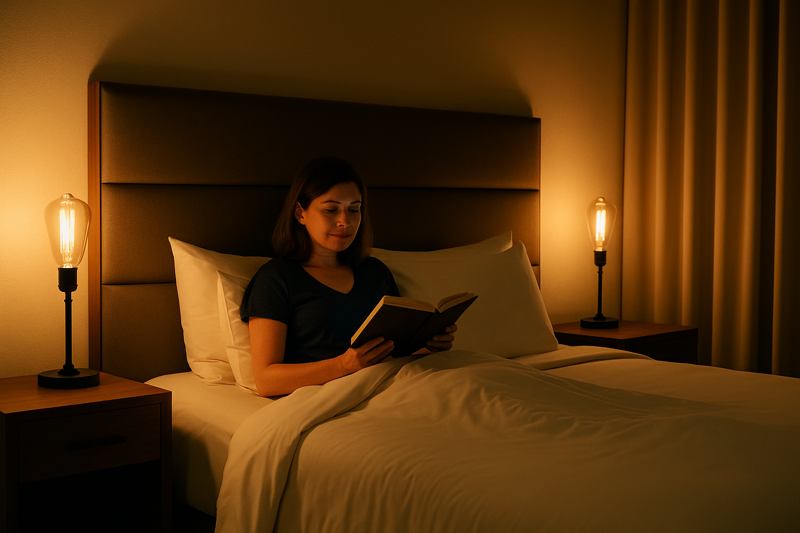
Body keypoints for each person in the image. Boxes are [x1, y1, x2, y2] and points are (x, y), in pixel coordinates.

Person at [241, 157, 457, 397]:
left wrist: (428, 346)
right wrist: (343, 365)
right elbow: (267, 381)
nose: (345, 221)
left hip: (395, 387)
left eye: (354, 209)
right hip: (328, 397)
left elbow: (396, 355)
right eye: (331, 209)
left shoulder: (374, 272)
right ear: (300, 213)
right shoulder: (276, 279)